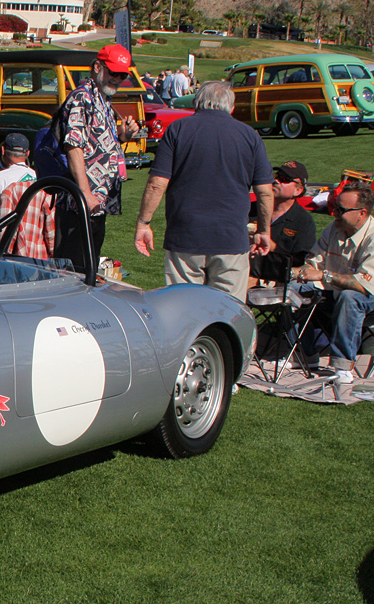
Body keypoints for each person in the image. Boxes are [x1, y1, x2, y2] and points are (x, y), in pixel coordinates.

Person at [133, 80, 274, 303]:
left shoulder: (178, 129)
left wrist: (144, 222)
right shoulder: (249, 135)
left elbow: (156, 183)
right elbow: (265, 192)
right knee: (228, 312)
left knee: (182, 309)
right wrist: (264, 231)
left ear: (197, 103)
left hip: (185, 235)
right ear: (232, 107)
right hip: (230, 238)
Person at [56, 44, 140, 267]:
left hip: (97, 202)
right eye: (113, 73)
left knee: (89, 264)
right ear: (97, 67)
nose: (117, 79)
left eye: (122, 75)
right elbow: (73, 146)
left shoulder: (103, 100)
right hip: (80, 203)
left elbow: (102, 145)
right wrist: (84, 193)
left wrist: (125, 134)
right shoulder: (83, 98)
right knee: (74, 269)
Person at [290, 181, 374, 384]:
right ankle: (305, 354)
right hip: (333, 291)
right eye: (334, 207)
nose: (334, 213)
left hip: (366, 296)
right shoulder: (332, 230)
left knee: (350, 297)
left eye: (340, 209)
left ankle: (343, 366)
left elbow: (363, 285)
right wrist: (288, 274)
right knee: (294, 289)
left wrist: (323, 276)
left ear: (361, 213)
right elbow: (311, 267)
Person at [249, 160, 316, 285]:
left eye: (284, 179)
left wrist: (272, 246)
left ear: (298, 190)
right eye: (276, 176)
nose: (276, 181)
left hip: (276, 276)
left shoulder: (303, 221)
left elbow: (301, 260)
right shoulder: (250, 209)